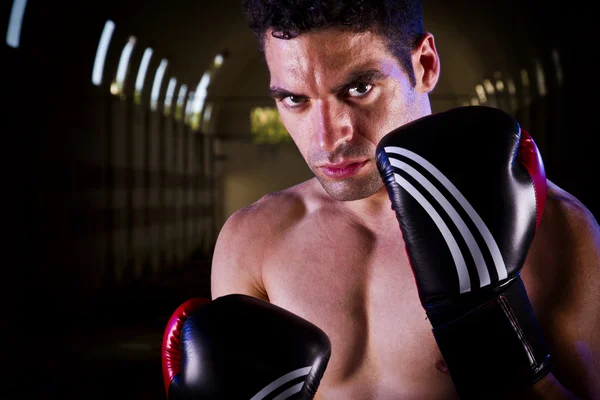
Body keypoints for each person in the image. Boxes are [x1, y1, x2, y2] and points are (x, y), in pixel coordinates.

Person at [209, 0, 600, 398]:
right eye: (295, 99)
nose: (327, 139)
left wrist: (515, 366)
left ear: (425, 65)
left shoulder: (553, 229)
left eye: (359, 88)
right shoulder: (251, 243)